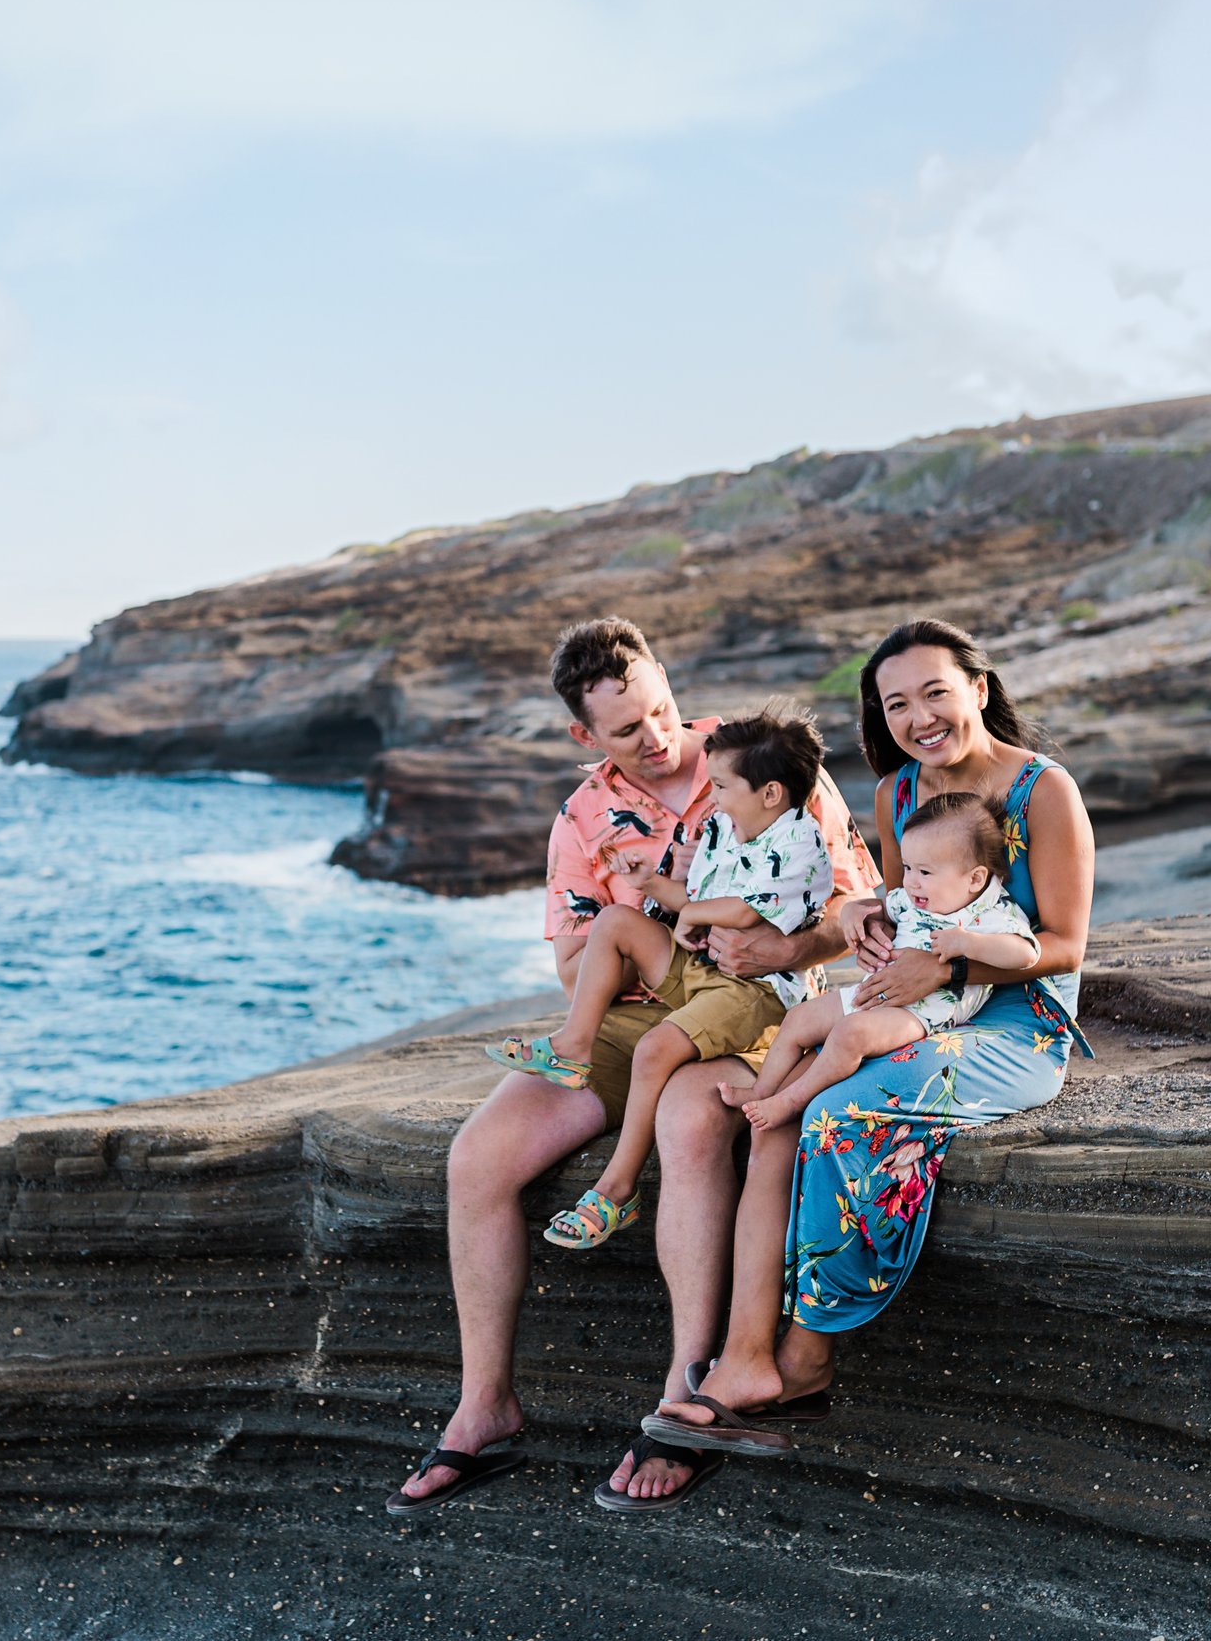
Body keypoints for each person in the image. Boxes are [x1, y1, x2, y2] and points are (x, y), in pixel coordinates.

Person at [387, 618, 876, 1514]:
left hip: (750, 1008)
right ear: (584, 736)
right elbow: (575, 964)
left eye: (661, 709)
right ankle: (484, 1406)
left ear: (666, 681)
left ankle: (685, 1400)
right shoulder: (581, 818)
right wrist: (658, 914)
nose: (655, 739)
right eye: (625, 730)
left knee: (692, 1121)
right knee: (478, 1157)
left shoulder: (761, 760)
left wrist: (780, 944)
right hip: (637, 1007)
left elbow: (858, 903)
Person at [637, 617, 1095, 1458]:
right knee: (775, 1113)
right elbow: (901, 902)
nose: (919, 717)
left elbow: (1064, 944)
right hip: (909, 1001)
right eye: (896, 703)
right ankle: (744, 1357)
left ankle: (806, 1357)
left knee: (836, 1110)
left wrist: (947, 972)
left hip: (1016, 1023)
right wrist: (861, 917)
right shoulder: (896, 794)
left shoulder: (1044, 790)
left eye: (935, 693)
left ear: (979, 691)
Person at [487, 713, 836, 1251]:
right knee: (615, 922)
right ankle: (573, 1047)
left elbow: (744, 912)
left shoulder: (799, 847)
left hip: (757, 993)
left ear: (770, 793)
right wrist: (651, 883)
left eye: (720, 786)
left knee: (653, 1051)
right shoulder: (722, 828)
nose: (711, 797)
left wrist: (694, 914)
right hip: (704, 970)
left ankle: (617, 1188)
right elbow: (691, 902)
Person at [729, 790, 1036, 1135]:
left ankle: (791, 1100)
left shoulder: (990, 914)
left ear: (975, 879)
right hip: (873, 992)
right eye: (907, 867)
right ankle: (761, 1089)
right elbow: (879, 909)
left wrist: (970, 944)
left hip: (921, 1014)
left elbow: (1026, 954)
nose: (911, 880)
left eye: (925, 871)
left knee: (850, 1035)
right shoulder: (911, 899)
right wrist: (853, 914)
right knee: (799, 1018)